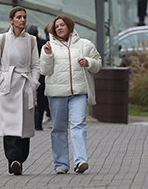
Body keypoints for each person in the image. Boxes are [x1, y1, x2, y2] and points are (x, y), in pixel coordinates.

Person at [40, 15, 102, 174]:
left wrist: (88, 62)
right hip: (57, 94)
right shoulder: (49, 46)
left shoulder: (85, 45)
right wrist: (47, 55)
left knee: (78, 124)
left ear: (69, 26)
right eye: (56, 27)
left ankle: (81, 160)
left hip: (79, 92)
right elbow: (45, 71)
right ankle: (61, 164)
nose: (59, 28)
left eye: (62, 25)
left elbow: (97, 65)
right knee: (59, 128)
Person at [0, 6, 41, 176]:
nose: (22, 20)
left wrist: (33, 83)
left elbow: (35, 65)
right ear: (11, 20)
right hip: (8, 87)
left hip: (25, 86)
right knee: (10, 126)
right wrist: (2, 81)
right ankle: (13, 159)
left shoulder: (31, 40)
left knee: (24, 127)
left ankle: (20, 159)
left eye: (24, 17)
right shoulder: (1, 39)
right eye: (18, 17)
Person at [26, 24, 49, 132]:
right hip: (42, 75)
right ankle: (38, 124)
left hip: (28, 74)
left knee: (27, 99)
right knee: (41, 100)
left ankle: (28, 122)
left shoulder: (26, 43)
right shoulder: (43, 43)